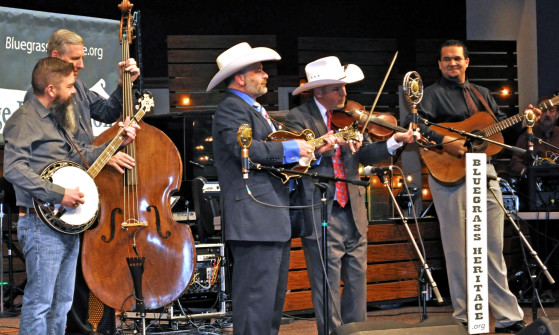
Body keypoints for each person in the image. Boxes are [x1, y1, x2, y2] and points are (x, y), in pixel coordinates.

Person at [208, 42, 336, 335]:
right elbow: (247, 150)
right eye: (259, 70)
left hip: (269, 217)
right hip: (254, 217)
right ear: (240, 77)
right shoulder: (231, 108)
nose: (265, 75)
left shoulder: (253, 109)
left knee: (269, 304)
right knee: (255, 303)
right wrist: (293, 148)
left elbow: (274, 159)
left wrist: (313, 150)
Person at [3, 57, 138, 335]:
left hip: (65, 224)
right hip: (41, 225)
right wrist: (58, 193)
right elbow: (13, 168)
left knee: (62, 303)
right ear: (51, 89)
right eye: (70, 86)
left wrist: (116, 142)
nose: (75, 91)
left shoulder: (58, 116)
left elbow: (80, 154)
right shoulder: (23, 120)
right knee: (40, 303)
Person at [283, 56, 414, 334]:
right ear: (318, 91)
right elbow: (295, 161)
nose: (344, 94)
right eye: (336, 89)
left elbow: (367, 152)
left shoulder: (351, 118)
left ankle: (357, 332)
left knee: (357, 281)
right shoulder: (298, 118)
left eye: (344, 88)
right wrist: (325, 147)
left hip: (353, 209)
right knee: (326, 284)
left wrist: (393, 142)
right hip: (321, 209)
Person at [408, 39, 527, 333]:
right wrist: (447, 141)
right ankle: (465, 314)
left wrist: (526, 120)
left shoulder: (482, 94)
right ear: (439, 64)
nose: (452, 63)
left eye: (457, 59)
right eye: (446, 59)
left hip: (483, 171)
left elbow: (497, 130)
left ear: (466, 62)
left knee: (493, 247)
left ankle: (507, 315)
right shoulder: (431, 95)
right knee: (457, 248)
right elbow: (416, 125)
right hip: (448, 173)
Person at [24, 28, 139, 173]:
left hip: (85, 174)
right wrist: (104, 154)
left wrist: (124, 82)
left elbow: (107, 112)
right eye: (74, 59)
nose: (81, 65)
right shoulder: (40, 95)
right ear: (55, 56)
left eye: (82, 58)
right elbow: (66, 148)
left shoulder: (79, 86)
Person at [510, 96, 559, 176]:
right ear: (537, 114)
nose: (547, 114)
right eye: (543, 111)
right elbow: (515, 162)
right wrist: (526, 171)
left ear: (557, 115)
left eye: (551, 110)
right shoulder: (527, 134)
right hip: (534, 183)